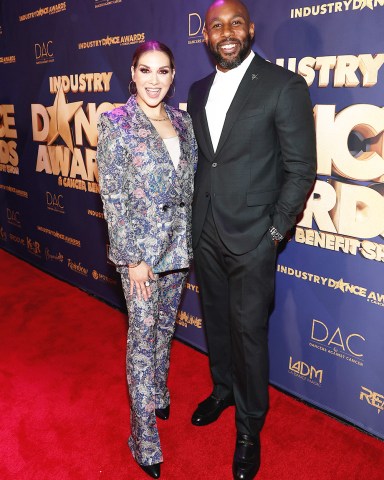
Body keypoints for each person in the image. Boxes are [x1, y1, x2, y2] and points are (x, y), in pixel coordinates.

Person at [187, 1, 317, 479]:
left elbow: (301, 168)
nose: (226, 32)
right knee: (216, 322)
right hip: (205, 229)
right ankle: (222, 390)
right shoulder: (198, 90)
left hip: (254, 236)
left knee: (248, 332)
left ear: (251, 30)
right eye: (217, 25)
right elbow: (209, 162)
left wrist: (274, 230)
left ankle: (249, 427)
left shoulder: (283, 86)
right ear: (206, 36)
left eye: (235, 23)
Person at [96, 41, 197, 479]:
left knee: (164, 328)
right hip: (140, 254)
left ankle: (158, 391)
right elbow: (113, 197)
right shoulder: (116, 123)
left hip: (178, 247)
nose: (154, 80)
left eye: (163, 71)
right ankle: (143, 438)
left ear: (173, 76)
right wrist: (131, 257)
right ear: (132, 74)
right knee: (141, 342)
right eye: (146, 70)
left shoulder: (183, 120)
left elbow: (187, 187)